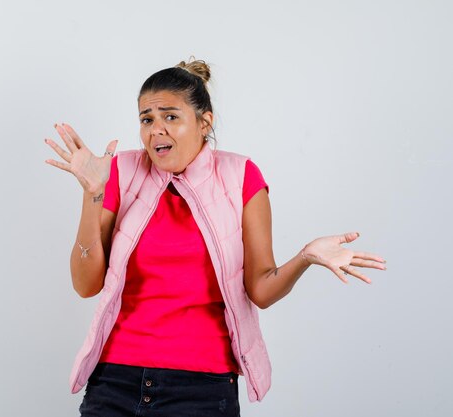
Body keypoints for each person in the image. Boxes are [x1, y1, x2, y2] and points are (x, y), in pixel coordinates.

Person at [44, 59, 386, 417]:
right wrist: (92, 194)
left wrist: (305, 256)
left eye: (170, 117)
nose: (156, 130)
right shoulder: (121, 171)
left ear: (204, 122)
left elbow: (261, 290)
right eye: (147, 119)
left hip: (202, 388)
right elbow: (85, 284)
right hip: (115, 381)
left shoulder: (240, 176)